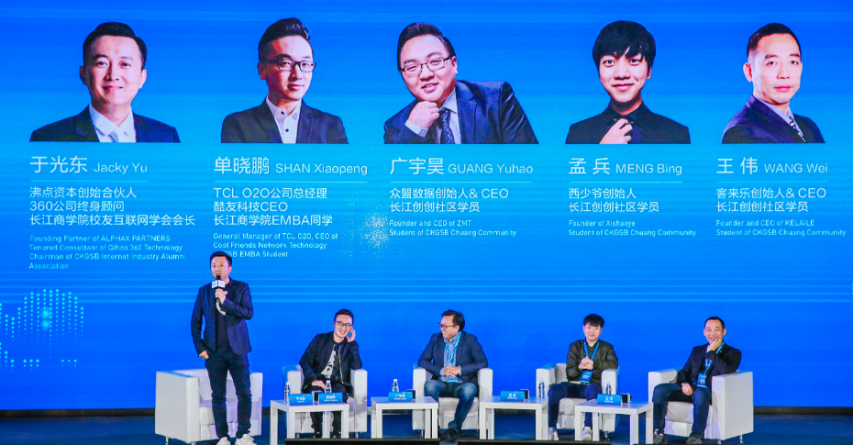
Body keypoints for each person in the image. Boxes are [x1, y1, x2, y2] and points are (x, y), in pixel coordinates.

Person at [384, 23, 537, 144]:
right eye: (412, 67)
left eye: (435, 61)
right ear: (403, 77)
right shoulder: (396, 127)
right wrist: (413, 130)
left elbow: (530, 164)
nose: (425, 74)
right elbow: (394, 172)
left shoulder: (496, 100)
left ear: (454, 64)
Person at [30, 22, 180, 142]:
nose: (113, 75)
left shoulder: (166, 137)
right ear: (83, 74)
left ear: (142, 77)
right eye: (102, 63)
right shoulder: (49, 138)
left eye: (124, 64)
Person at [221, 18, 348, 143]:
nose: (297, 75)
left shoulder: (330, 126)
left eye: (305, 64)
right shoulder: (238, 125)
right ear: (262, 70)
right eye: (285, 63)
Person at [566, 21, 689, 144]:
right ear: (598, 71)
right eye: (609, 62)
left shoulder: (676, 135)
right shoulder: (577, 134)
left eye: (633, 61)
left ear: (649, 71)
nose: (621, 74)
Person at [190, 252, 255, 445]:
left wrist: (225, 302)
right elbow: (195, 321)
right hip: (214, 352)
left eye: (221, 265)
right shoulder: (204, 291)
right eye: (214, 266)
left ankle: (243, 435)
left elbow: (248, 313)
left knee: (244, 393)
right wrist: (200, 347)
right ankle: (223, 437)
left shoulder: (241, 288)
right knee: (218, 396)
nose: (217, 269)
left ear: (229, 268)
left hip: (238, 350)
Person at [722, 23, 824, 143]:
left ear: (801, 68)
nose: (784, 74)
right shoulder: (742, 132)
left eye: (793, 62)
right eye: (772, 63)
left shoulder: (808, 126)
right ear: (749, 72)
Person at [651, 317, 742, 444]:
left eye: (716, 330)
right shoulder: (697, 350)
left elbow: (726, 371)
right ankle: (658, 433)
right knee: (660, 389)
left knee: (700, 392)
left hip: (711, 392)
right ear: (704, 332)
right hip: (691, 389)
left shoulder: (733, 353)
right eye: (708, 330)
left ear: (724, 332)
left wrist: (711, 353)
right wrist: (684, 383)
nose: (712, 333)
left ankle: (696, 436)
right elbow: (684, 371)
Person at [418, 310, 488, 442]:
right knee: (430, 385)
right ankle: (433, 427)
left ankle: (454, 427)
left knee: (470, 389)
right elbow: (422, 361)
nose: (442, 329)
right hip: (441, 382)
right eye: (440, 325)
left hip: (462, 382)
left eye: (445, 326)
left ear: (456, 328)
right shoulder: (435, 339)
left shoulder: (470, 340)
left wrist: (459, 370)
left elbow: (483, 362)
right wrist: (441, 370)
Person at [546, 314, 618, 441]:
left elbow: (613, 364)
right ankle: (551, 428)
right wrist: (580, 367)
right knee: (554, 389)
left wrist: (594, 364)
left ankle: (588, 428)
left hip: (591, 385)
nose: (592, 331)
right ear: (583, 328)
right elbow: (569, 373)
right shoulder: (575, 346)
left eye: (596, 328)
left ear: (601, 330)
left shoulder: (607, 348)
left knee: (593, 389)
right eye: (589, 327)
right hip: (574, 384)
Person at [298, 309, 362, 438]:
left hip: (338, 382)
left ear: (351, 328)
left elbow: (357, 366)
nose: (343, 328)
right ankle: (317, 430)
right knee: (316, 392)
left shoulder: (350, 345)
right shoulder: (320, 339)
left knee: (340, 393)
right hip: (318, 379)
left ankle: (337, 432)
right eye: (340, 323)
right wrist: (313, 379)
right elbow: (304, 360)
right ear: (334, 324)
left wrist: (352, 344)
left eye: (347, 325)